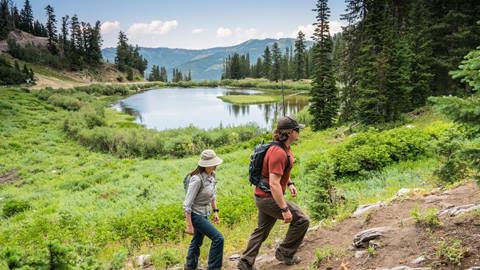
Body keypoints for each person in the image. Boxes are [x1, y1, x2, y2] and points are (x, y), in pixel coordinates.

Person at [238, 116, 310, 270]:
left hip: (262, 196)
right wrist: (284, 209)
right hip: (268, 197)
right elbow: (274, 183)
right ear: (290, 132)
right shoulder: (278, 152)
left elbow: (280, 171)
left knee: (262, 230)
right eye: (297, 130)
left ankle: (245, 263)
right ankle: (285, 253)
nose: (299, 132)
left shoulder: (283, 148)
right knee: (302, 220)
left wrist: (290, 183)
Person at [184, 149, 224, 270]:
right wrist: (189, 225)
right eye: (213, 163)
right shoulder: (196, 179)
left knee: (197, 241)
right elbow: (187, 205)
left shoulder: (212, 175)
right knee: (218, 238)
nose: (216, 165)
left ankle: (190, 267)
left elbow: (213, 195)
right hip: (196, 215)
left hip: (205, 212)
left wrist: (215, 211)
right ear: (206, 165)